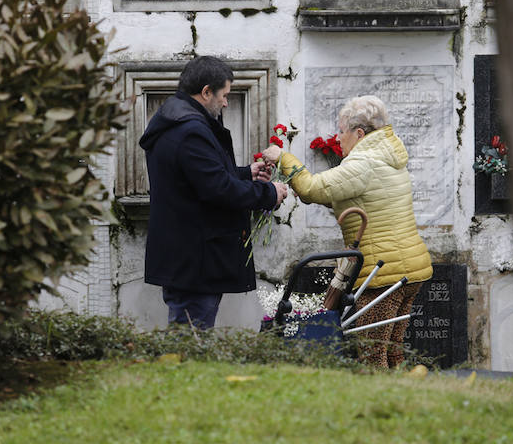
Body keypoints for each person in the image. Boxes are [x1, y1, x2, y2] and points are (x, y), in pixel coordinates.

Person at [263, 95, 432, 367]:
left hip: (383, 275)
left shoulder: (363, 162)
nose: (338, 138)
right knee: (392, 351)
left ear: (359, 133)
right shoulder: (385, 157)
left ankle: (382, 405)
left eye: (341, 131)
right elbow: (343, 197)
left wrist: (283, 157)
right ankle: (407, 398)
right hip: (409, 269)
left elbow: (312, 188)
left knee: (372, 355)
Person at [139, 56, 288, 329]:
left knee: (189, 334)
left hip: (188, 255)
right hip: (195, 259)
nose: (226, 102)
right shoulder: (190, 131)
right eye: (224, 95)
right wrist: (269, 193)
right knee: (191, 340)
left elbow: (199, 179)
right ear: (206, 92)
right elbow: (218, 189)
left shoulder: (177, 123)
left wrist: (246, 173)